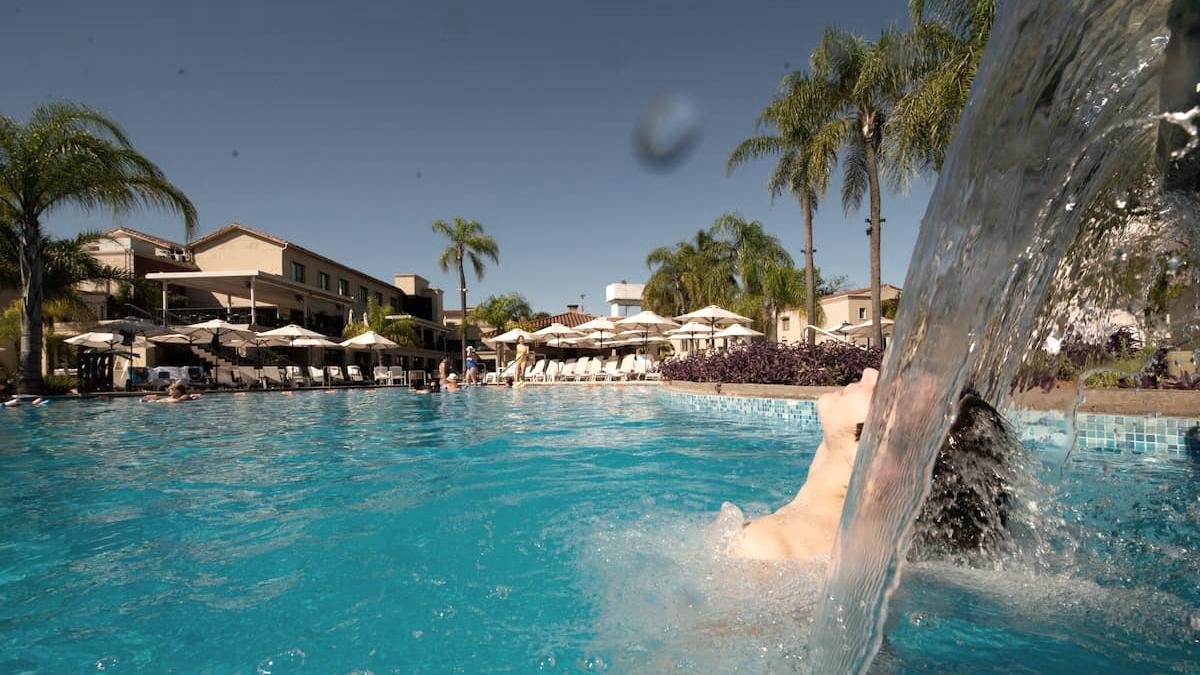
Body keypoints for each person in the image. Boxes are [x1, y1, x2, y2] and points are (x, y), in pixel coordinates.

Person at [735, 368, 1016, 562]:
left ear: (874, 458)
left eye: (883, 391)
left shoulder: (770, 544)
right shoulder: (877, 550)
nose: (869, 373)